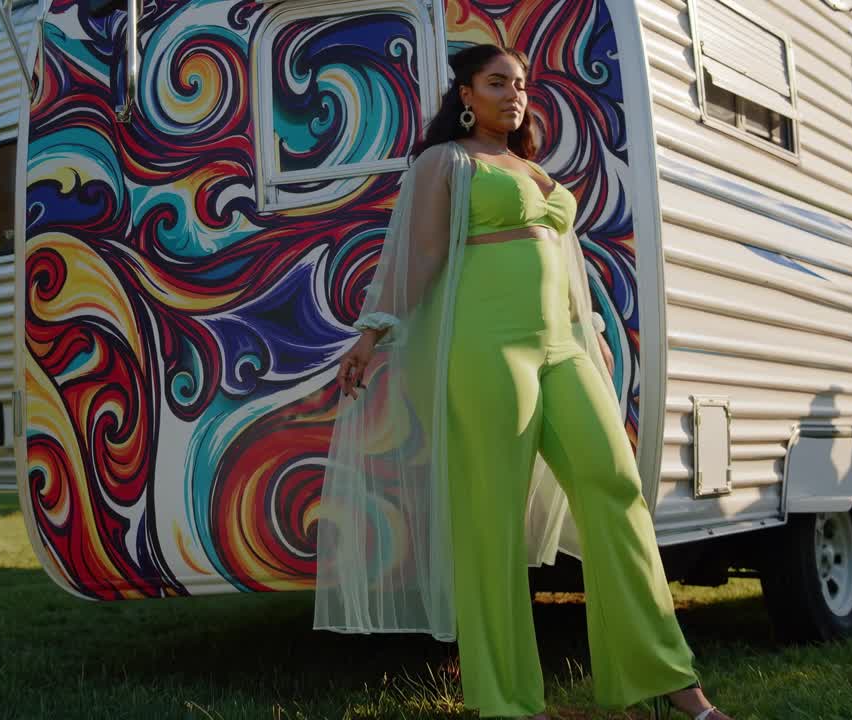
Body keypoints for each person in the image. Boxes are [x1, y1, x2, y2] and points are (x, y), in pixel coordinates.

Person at [314, 43, 732, 720]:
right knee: (492, 519)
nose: (514, 94)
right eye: (496, 83)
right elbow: (420, 256)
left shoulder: (533, 169)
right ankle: (510, 702)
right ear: (465, 95)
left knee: (616, 487)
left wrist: (596, 347)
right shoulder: (444, 162)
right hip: (488, 349)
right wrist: (372, 332)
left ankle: (661, 676)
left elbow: (569, 268)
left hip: (564, 348)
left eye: (521, 84)